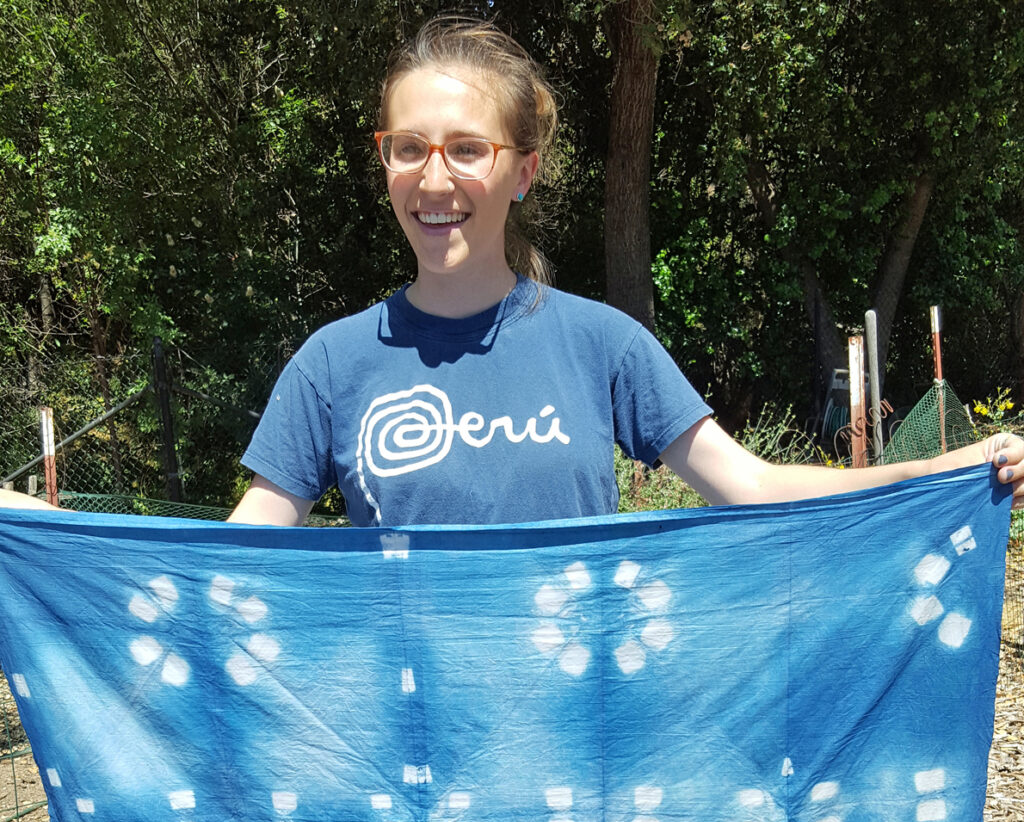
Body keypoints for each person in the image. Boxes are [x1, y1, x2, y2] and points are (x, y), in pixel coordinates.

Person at [2, 16, 1022, 523]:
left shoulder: (601, 344)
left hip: (580, 751)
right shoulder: (331, 364)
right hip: (402, 773)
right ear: (385, 161)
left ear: (521, 168)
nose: (433, 175)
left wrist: (934, 472)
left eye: (465, 147)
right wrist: (59, 538)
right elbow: (241, 559)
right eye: (408, 147)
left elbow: (747, 487)